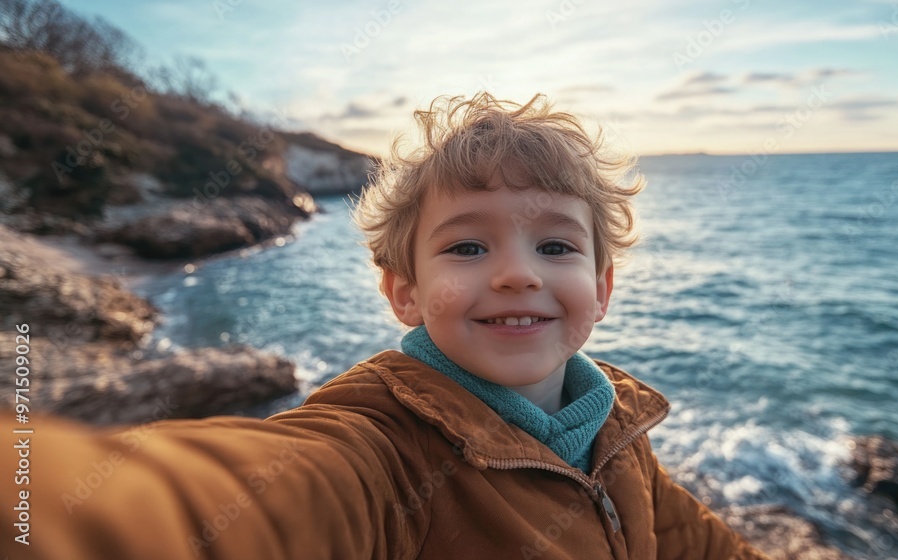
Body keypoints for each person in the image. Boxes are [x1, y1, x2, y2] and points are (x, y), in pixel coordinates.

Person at [1, 93, 768, 559]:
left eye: (556, 246)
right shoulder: (379, 451)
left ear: (600, 289)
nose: (518, 273)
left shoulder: (616, 430)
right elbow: (226, 506)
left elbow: (699, 546)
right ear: (403, 291)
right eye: (468, 245)